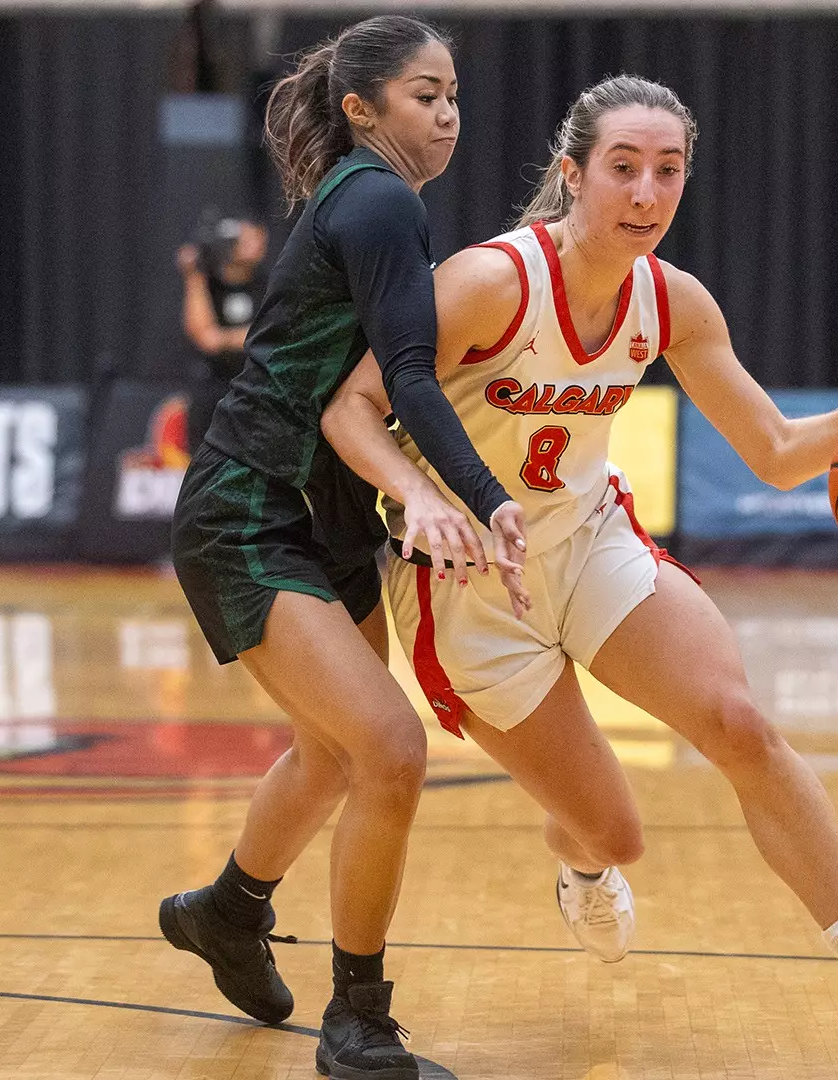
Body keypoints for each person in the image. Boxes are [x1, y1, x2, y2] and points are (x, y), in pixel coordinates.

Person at [320, 75, 838, 1055]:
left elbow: (773, 450)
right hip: (471, 586)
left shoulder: (671, 300)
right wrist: (415, 497)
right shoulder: (490, 283)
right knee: (613, 835)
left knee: (740, 725)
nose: (646, 193)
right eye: (624, 168)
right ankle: (584, 865)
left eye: (668, 171)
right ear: (572, 174)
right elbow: (351, 407)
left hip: (590, 538)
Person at [157, 18, 529, 1080]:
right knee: (389, 750)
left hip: (322, 511)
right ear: (362, 109)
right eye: (424, 95)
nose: (447, 114)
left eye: (453, 94)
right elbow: (407, 376)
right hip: (249, 504)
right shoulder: (377, 199)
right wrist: (479, 496)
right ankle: (356, 1021)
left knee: (333, 751)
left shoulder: (372, 201)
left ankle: (229, 910)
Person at [176, 217, 268, 451]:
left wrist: (225, 338)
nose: (248, 245)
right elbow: (204, 337)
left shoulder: (269, 284)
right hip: (214, 387)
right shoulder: (209, 284)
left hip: (256, 389)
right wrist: (194, 275)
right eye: (238, 240)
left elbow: (270, 332)